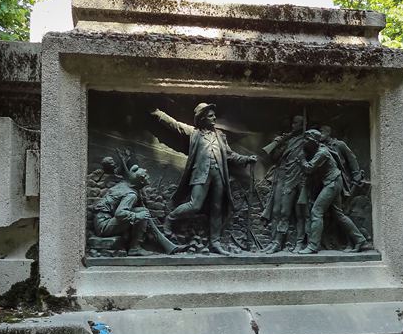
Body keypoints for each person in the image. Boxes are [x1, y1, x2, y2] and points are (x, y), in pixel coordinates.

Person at [151, 103, 257, 256]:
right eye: (210, 116)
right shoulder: (194, 133)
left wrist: (246, 159)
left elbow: (229, 154)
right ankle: (170, 218)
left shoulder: (220, 135)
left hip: (219, 175)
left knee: (217, 209)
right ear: (202, 118)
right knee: (195, 204)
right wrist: (156, 112)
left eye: (214, 115)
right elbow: (174, 124)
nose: (214, 118)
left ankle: (215, 243)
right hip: (201, 174)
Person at [298, 130, 373, 254]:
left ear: (314, 141)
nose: (304, 142)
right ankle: (361, 241)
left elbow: (309, 169)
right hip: (334, 182)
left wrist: (301, 160)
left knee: (316, 212)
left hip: (332, 184)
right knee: (339, 215)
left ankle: (312, 246)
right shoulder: (319, 148)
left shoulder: (322, 153)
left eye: (307, 140)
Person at [93, 164, 178, 256]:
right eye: (146, 177)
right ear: (141, 181)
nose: (149, 178)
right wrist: (137, 216)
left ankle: (164, 243)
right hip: (104, 226)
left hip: (102, 220)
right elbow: (119, 213)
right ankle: (135, 248)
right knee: (141, 213)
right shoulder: (131, 195)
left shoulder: (126, 185)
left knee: (142, 211)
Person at [261, 115, 308, 253]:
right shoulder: (288, 140)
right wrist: (279, 142)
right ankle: (273, 241)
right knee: (276, 211)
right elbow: (274, 158)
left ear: (303, 125)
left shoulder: (306, 140)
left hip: (295, 178)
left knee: (289, 213)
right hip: (281, 176)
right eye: (292, 123)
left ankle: (286, 243)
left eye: (296, 123)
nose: (293, 126)